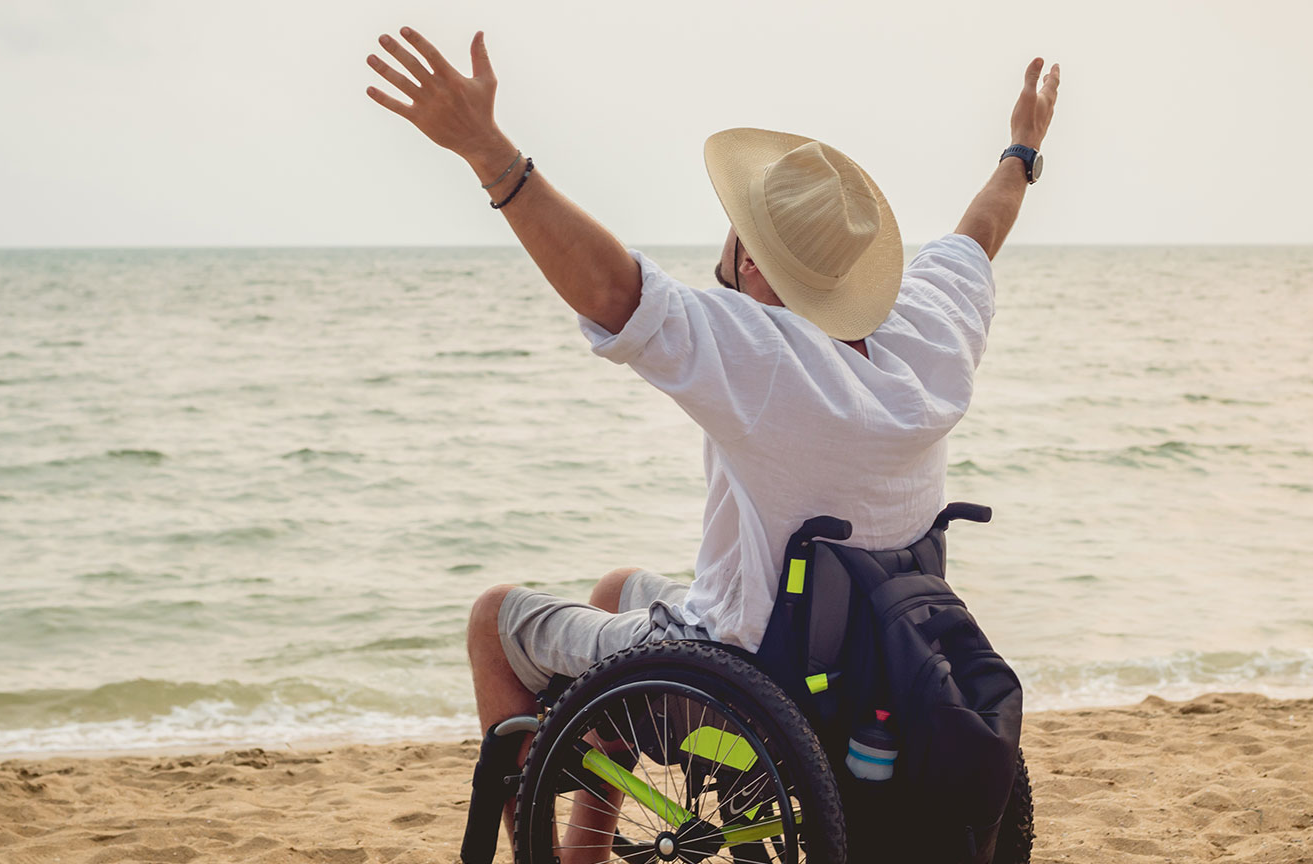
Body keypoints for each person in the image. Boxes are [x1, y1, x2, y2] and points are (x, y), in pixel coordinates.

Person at [367, 26, 1058, 859]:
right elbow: (982, 230)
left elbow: (613, 289)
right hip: (853, 666)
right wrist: (1022, 148)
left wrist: (489, 152)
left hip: (742, 675)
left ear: (756, 265)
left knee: (493, 620)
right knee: (618, 585)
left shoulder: (763, 354)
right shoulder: (931, 333)